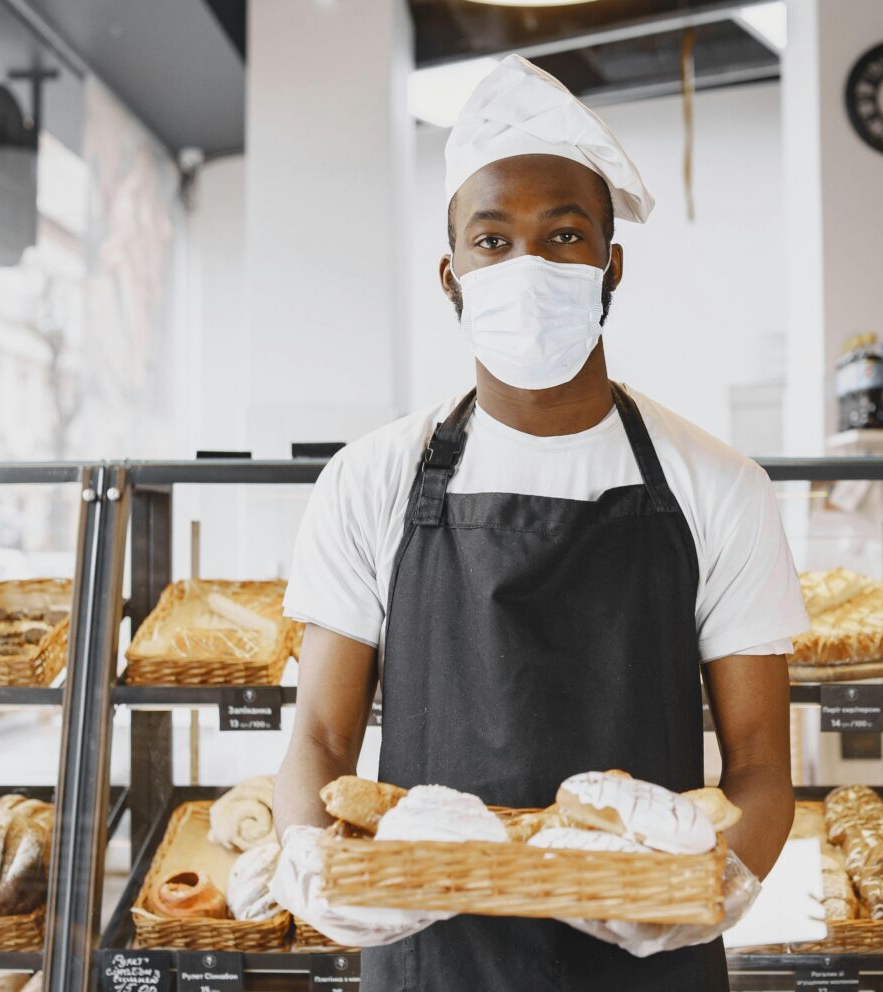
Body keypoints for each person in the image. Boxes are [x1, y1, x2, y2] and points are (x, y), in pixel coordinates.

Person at [271, 55, 808, 992]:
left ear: (612, 264)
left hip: (652, 957)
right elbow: (319, 738)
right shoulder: (372, 481)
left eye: (564, 235)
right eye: (492, 241)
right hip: (432, 953)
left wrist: (725, 882)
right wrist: (313, 861)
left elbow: (761, 763)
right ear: (450, 275)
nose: (528, 268)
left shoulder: (718, 485)